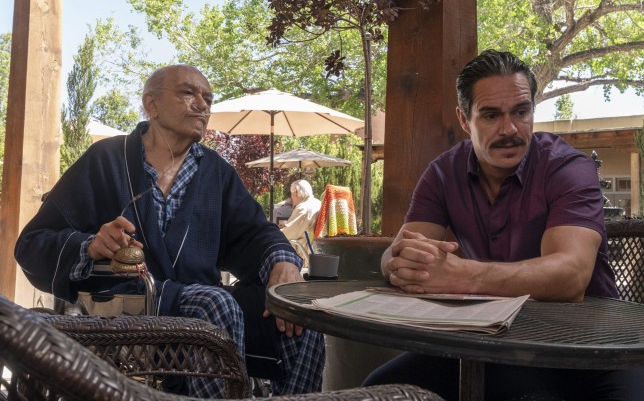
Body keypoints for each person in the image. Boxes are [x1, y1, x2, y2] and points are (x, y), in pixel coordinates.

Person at [14, 64, 324, 398]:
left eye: (208, 98)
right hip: (127, 311)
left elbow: (254, 233)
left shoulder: (216, 172)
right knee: (216, 304)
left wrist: (282, 260)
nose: (202, 105)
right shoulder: (106, 160)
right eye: (188, 93)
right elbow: (33, 243)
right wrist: (90, 245)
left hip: (206, 307)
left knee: (303, 316)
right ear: (151, 104)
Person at [364, 49, 644, 400]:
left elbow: (570, 277)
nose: (509, 129)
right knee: (379, 390)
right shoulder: (442, 173)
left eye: (521, 112)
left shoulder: (567, 168)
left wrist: (462, 275)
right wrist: (399, 263)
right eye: (491, 115)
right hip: (492, 339)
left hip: (591, 348)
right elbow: (401, 250)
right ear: (464, 120)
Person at [280, 180, 321, 265]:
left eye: (291, 194)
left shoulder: (303, 208)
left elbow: (287, 234)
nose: (291, 198)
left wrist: (274, 232)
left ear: (295, 192)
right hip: (316, 248)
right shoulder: (318, 203)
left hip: (303, 253)